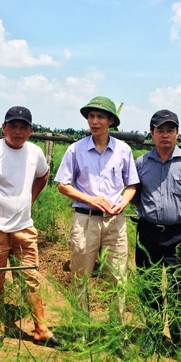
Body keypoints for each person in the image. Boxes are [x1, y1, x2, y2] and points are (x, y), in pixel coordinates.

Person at [0, 106, 61, 349]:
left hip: (24, 228)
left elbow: (43, 175)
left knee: (30, 278)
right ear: (3, 127)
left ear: (30, 130)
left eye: (23, 126)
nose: (17, 131)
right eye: (12, 126)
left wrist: (30, 200)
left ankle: (40, 328)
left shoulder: (35, 153)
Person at [55, 96, 139, 328]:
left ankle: (116, 330)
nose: (94, 121)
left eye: (100, 116)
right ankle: (82, 329)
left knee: (118, 278)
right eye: (91, 116)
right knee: (80, 277)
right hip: (85, 220)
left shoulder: (123, 150)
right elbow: (63, 185)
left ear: (111, 120)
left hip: (115, 222)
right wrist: (90, 199)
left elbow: (131, 185)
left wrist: (123, 202)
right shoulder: (76, 150)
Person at [134, 109, 181, 359]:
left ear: (177, 133)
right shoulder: (141, 163)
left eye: (170, 130)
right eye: (160, 130)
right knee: (150, 288)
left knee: (179, 289)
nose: (165, 135)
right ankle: (153, 336)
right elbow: (134, 195)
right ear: (151, 133)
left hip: (178, 235)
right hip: (147, 235)